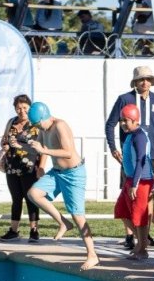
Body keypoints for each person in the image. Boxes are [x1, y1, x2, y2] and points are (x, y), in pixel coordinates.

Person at [25, 102, 99, 271]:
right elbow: (39, 148)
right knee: (34, 193)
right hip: (57, 172)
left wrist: (44, 151)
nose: (37, 128)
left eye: (38, 124)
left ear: (44, 117)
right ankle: (63, 223)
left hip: (73, 173)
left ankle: (92, 254)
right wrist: (18, 146)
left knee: (77, 215)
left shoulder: (60, 126)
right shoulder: (43, 129)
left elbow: (68, 152)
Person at [108, 65, 154, 251]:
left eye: (147, 79)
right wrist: (113, 148)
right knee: (128, 201)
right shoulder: (125, 99)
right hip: (131, 155)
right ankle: (133, 237)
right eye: (141, 79)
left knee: (147, 200)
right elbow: (110, 124)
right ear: (135, 82)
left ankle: (144, 240)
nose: (144, 82)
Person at [0, 94, 44, 243]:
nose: (22, 111)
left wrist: (41, 167)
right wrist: (5, 145)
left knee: (31, 198)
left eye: (25, 107)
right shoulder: (11, 122)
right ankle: (13, 230)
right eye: (19, 108)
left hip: (29, 167)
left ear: (30, 108)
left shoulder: (36, 124)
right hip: (12, 166)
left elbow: (43, 148)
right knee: (16, 199)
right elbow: (4, 140)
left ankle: (34, 230)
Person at [114, 104, 154, 261]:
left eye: (126, 120)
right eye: (121, 120)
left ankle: (142, 249)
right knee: (121, 210)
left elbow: (141, 160)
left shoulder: (140, 136)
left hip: (141, 181)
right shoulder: (130, 135)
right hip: (131, 179)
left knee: (139, 216)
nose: (123, 123)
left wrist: (135, 184)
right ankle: (142, 243)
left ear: (135, 120)